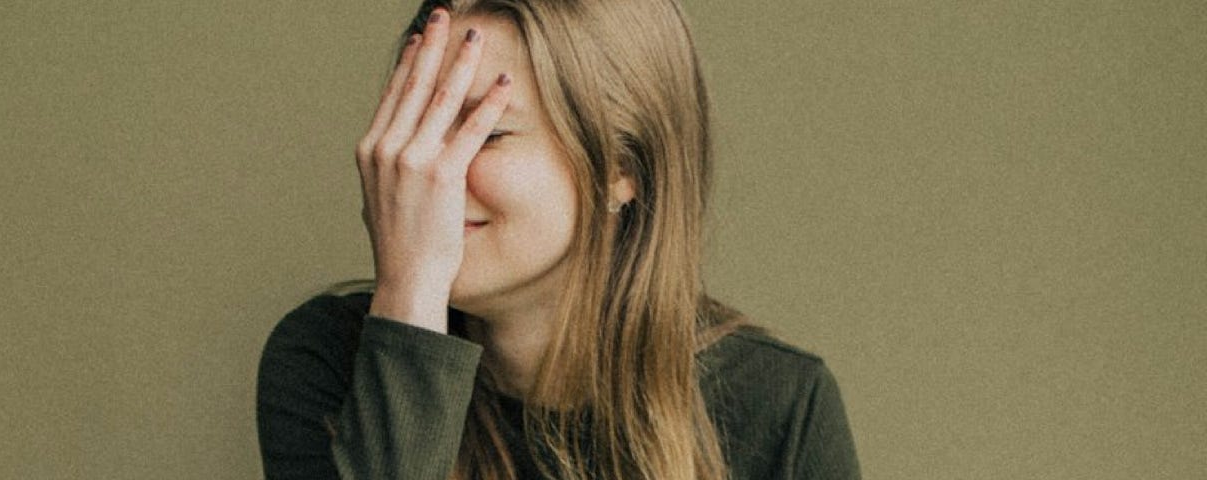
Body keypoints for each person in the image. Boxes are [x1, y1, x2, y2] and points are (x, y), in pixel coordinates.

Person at [256, 1, 861, 479]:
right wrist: (410, 295)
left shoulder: (777, 405)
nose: (422, 170)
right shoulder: (327, 360)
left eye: (485, 132)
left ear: (621, 168)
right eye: (419, 121)